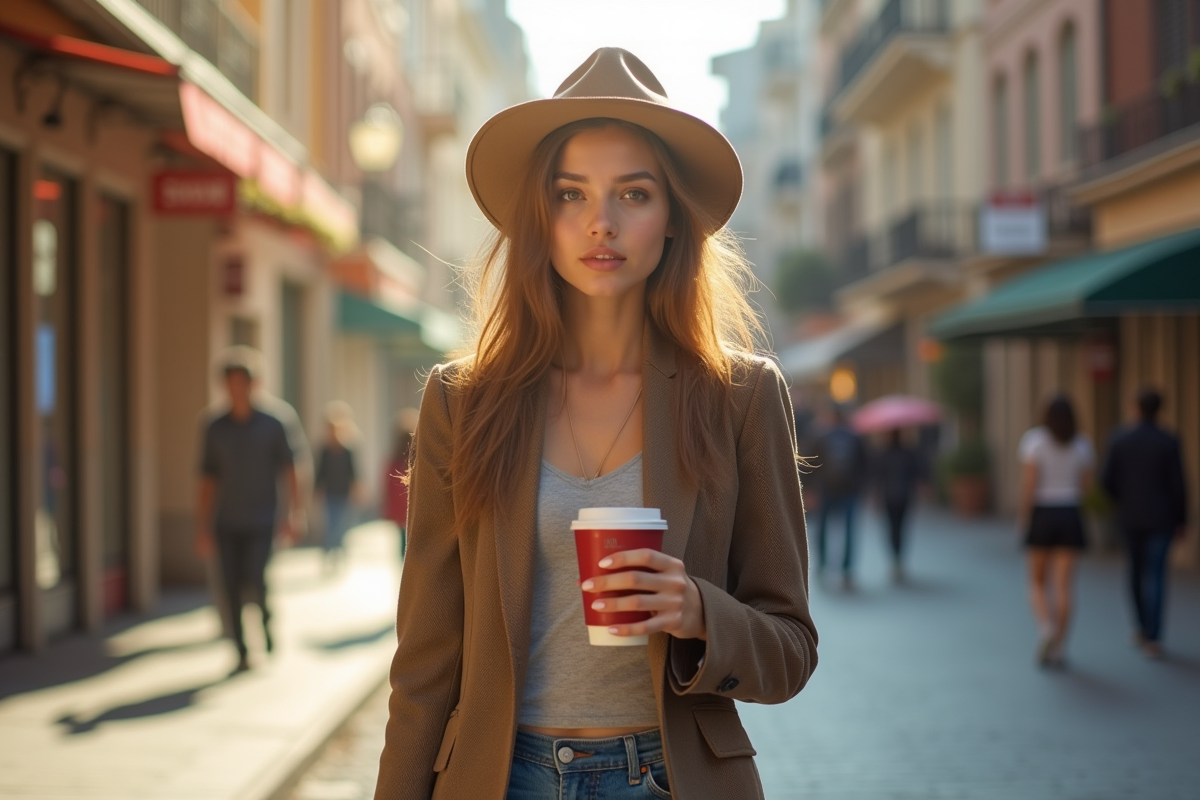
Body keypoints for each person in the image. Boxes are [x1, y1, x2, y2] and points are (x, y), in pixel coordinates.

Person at [374, 49, 817, 800]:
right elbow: (424, 659)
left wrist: (700, 609)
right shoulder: (464, 401)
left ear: (673, 218)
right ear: (539, 218)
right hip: (497, 778)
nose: (601, 223)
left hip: (669, 777)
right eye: (571, 194)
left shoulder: (740, 396)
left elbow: (791, 648)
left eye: (633, 195)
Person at [196, 348, 304, 673]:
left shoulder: (275, 422)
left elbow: (291, 470)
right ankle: (241, 650)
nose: (237, 389)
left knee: (255, 581)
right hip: (225, 521)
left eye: (242, 382)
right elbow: (206, 479)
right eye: (230, 383)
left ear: (254, 383)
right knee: (228, 587)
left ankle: (266, 620)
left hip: (262, 520)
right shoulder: (214, 427)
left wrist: (294, 513)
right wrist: (202, 527)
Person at [1102, 388, 1188, 660]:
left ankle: (1140, 627)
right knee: (1157, 575)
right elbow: (1179, 485)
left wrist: (1121, 501)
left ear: (1134, 407)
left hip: (1129, 518)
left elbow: (1107, 481)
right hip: (1161, 519)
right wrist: (1182, 520)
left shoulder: (1119, 439)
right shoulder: (1169, 440)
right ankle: (1154, 636)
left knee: (1136, 572)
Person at [1018, 394, 1094, 668]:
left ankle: (1046, 627)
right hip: (1071, 512)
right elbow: (1086, 489)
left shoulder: (1034, 441)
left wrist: (1024, 518)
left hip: (1043, 512)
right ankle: (1060, 647)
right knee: (1064, 586)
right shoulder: (1083, 445)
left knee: (1037, 582)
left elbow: (1030, 485)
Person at [814, 404, 868, 589]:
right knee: (849, 531)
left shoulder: (821, 436)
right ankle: (846, 571)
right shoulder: (855, 437)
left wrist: (811, 490)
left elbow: (811, 465)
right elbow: (865, 464)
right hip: (849, 491)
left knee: (822, 531)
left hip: (826, 491)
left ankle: (822, 567)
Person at [872, 428, 923, 583]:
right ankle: (898, 559)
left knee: (892, 528)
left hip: (890, 496)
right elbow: (917, 474)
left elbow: (877, 477)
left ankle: (895, 559)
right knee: (900, 527)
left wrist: (876, 497)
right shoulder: (908, 453)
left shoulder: (883, 453)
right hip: (904, 495)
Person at [315, 401, 361, 571]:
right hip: (329, 493)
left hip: (344, 493)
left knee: (342, 525)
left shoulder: (347, 450)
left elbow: (353, 472)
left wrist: (356, 489)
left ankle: (339, 552)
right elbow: (320, 472)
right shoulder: (324, 450)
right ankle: (328, 552)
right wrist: (317, 490)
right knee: (330, 524)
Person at [383, 408, 417, 561]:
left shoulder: (394, 459)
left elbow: (387, 483)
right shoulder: (417, 458)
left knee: (402, 540)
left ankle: (404, 564)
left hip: (399, 506)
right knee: (411, 539)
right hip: (413, 506)